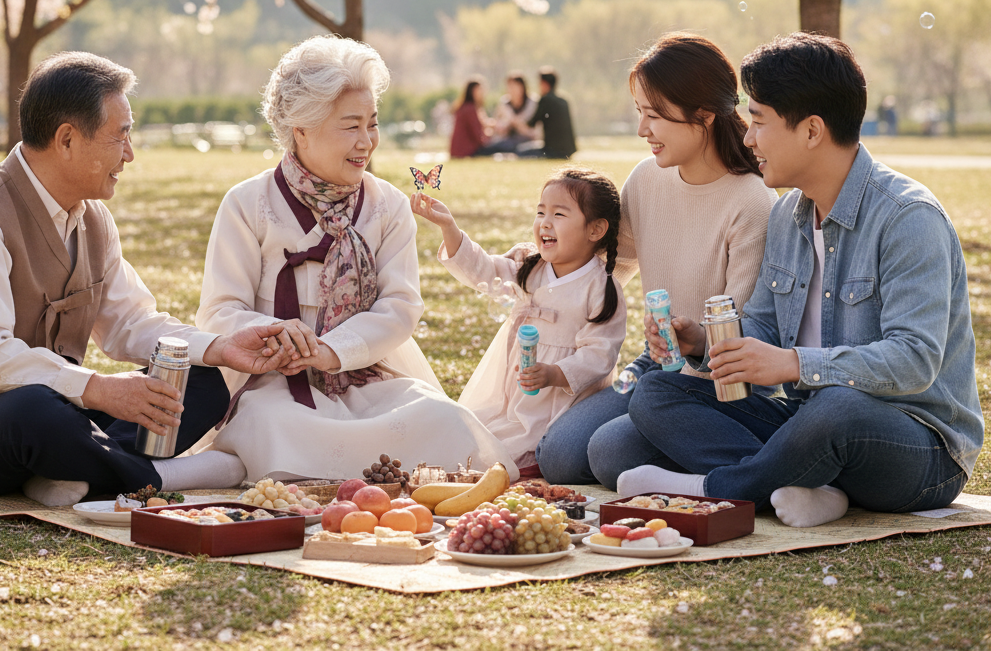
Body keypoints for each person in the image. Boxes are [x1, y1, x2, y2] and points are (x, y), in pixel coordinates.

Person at [0, 52, 288, 506]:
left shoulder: (93, 219)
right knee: (36, 410)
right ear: (66, 139)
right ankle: (157, 477)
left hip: (59, 410)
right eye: (120, 136)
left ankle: (65, 471)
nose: (130, 154)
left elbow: (132, 324)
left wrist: (220, 348)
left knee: (197, 377)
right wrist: (98, 389)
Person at [619, 33, 981, 528]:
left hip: (916, 444)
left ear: (811, 130)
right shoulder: (790, 214)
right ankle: (809, 486)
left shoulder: (908, 218)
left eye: (760, 122)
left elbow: (915, 360)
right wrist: (704, 344)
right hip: (807, 423)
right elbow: (763, 327)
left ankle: (717, 489)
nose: (747, 138)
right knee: (658, 393)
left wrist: (792, 363)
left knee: (839, 409)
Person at [198, 36, 517, 482]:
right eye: (350, 126)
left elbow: (400, 307)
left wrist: (330, 352)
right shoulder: (248, 203)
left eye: (373, 123)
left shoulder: (387, 205)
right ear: (301, 129)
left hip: (364, 370)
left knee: (441, 419)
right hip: (273, 379)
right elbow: (219, 310)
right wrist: (275, 337)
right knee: (273, 424)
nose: (366, 141)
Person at [534, 33, 777, 486]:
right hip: (655, 364)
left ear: (703, 115)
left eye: (654, 115)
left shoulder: (752, 202)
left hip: (719, 385)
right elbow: (611, 270)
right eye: (639, 113)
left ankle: (743, 463)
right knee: (560, 458)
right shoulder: (646, 179)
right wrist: (540, 264)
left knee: (608, 454)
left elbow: (742, 335)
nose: (642, 130)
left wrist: (697, 337)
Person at [412, 168, 626, 470]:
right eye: (541, 212)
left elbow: (599, 354)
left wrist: (554, 373)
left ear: (595, 230)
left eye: (559, 214)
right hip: (515, 384)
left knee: (520, 449)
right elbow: (483, 271)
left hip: (561, 397)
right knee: (477, 436)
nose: (544, 223)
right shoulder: (529, 264)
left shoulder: (600, 287)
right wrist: (449, 227)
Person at [516, 68, 577, 159]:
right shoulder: (564, 101)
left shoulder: (545, 100)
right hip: (569, 150)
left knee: (520, 151)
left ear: (544, 83)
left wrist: (516, 122)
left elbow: (531, 124)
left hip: (552, 151)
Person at [487, 72, 538, 153]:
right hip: (507, 140)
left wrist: (513, 122)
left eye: (514, 86)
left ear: (522, 87)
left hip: (528, 141)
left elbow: (534, 131)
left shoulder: (532, 103)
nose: (511, 89)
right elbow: (498, 124)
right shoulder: (504, 103)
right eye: (509, 86)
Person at [449, 79, 494, 158]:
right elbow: (478, 136)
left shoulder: (466, 107)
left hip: (459, 151)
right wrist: (491, 138)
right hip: (467, 151)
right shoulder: (470, 109)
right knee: (501, 146)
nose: (482, 94)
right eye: (479, 90)